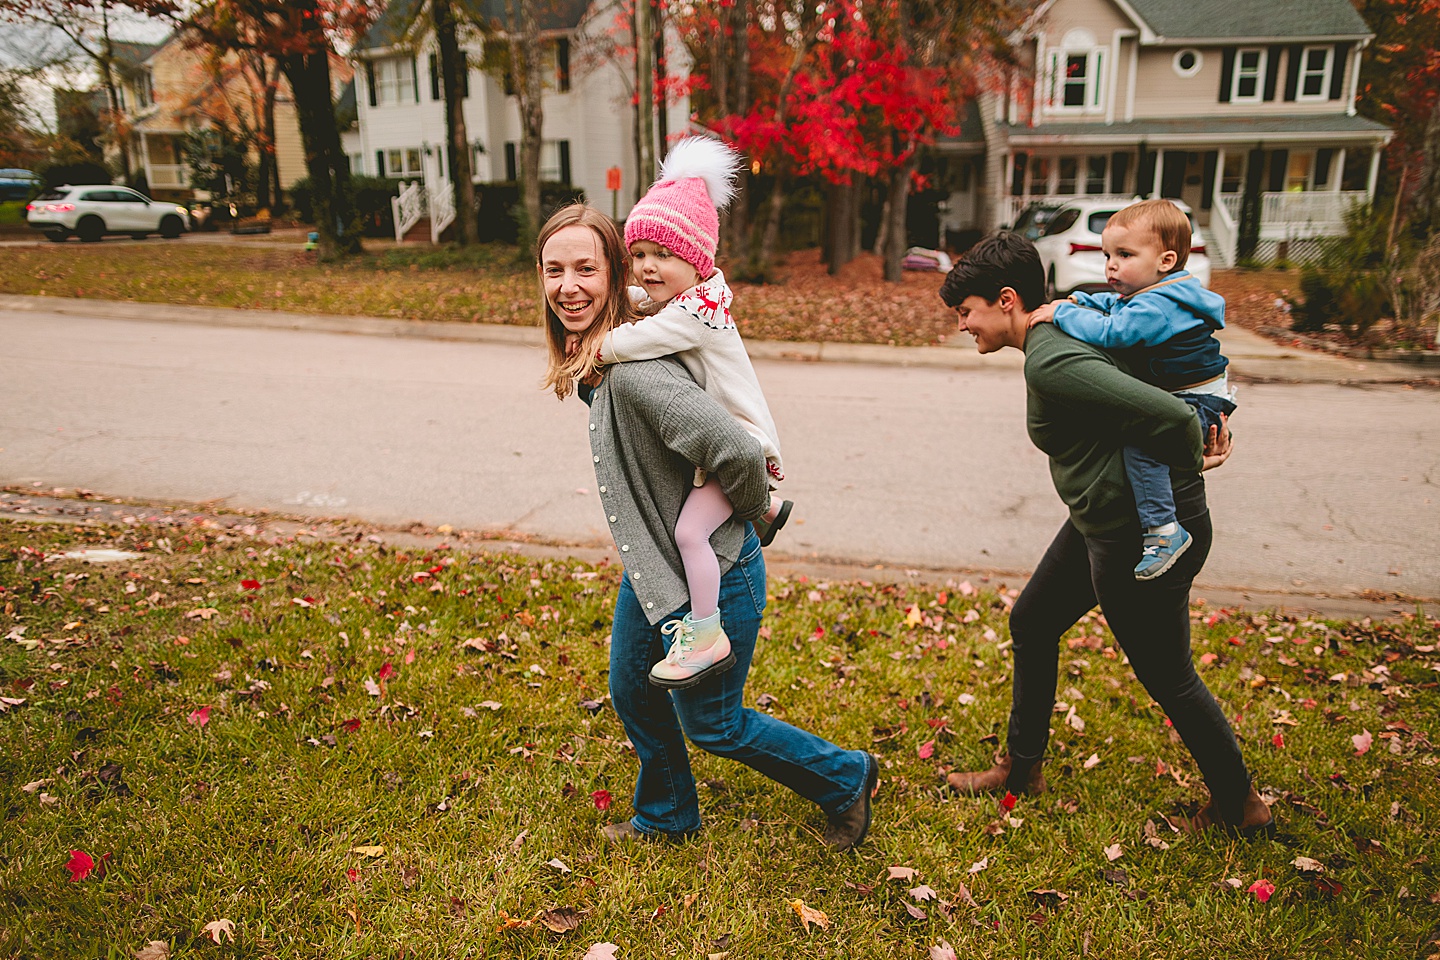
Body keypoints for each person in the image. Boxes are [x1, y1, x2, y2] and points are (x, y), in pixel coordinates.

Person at [538, 202, 877, 849]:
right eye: (554, 270)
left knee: (715, 725)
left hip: (716, 574)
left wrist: (755, 511)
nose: (567, 285)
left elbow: (742, 453)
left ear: (613, 275)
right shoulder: (611, 355)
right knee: (633, 690)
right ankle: (666, 815)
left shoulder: (637, 371)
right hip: (658, 567)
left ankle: (848, 777)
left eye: (585, 268)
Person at [937, 231, 1273, 838]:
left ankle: (1239, 807)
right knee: (1033, 622)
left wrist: (1193, 453)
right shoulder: (1056, 341)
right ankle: (1023, 770)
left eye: (967, 312)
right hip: (1102, 520)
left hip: (1138, 533)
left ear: (1006, 299)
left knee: (1168, 673)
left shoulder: (1051, 357)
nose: (963, 325)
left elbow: (1170, 414)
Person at [574, 136, 792, 690]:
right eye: (639, 254)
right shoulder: (690, 298)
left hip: (739, 442)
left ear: (696, 261)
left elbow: (643, 335)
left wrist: (599, 348)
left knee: (690, 534)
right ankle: (763, 510)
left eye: (662, 256)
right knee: (696, 526)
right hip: (720, 448)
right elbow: (642, 304)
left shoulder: (697, 313)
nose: (647, 268)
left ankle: (703, 631)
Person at [1028, 199, 1236, 581]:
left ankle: (1164, 531)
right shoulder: (1155, 294)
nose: (1111, 264)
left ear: (1166, 261)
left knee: (1142, 449)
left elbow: (1114, 331)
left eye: (1124, 254)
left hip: (1195, 398)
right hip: (1193, 391)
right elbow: (1113, 304)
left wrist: (1062, 314)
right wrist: (1080, 299)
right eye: (1108, 254)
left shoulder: (1156, 307)